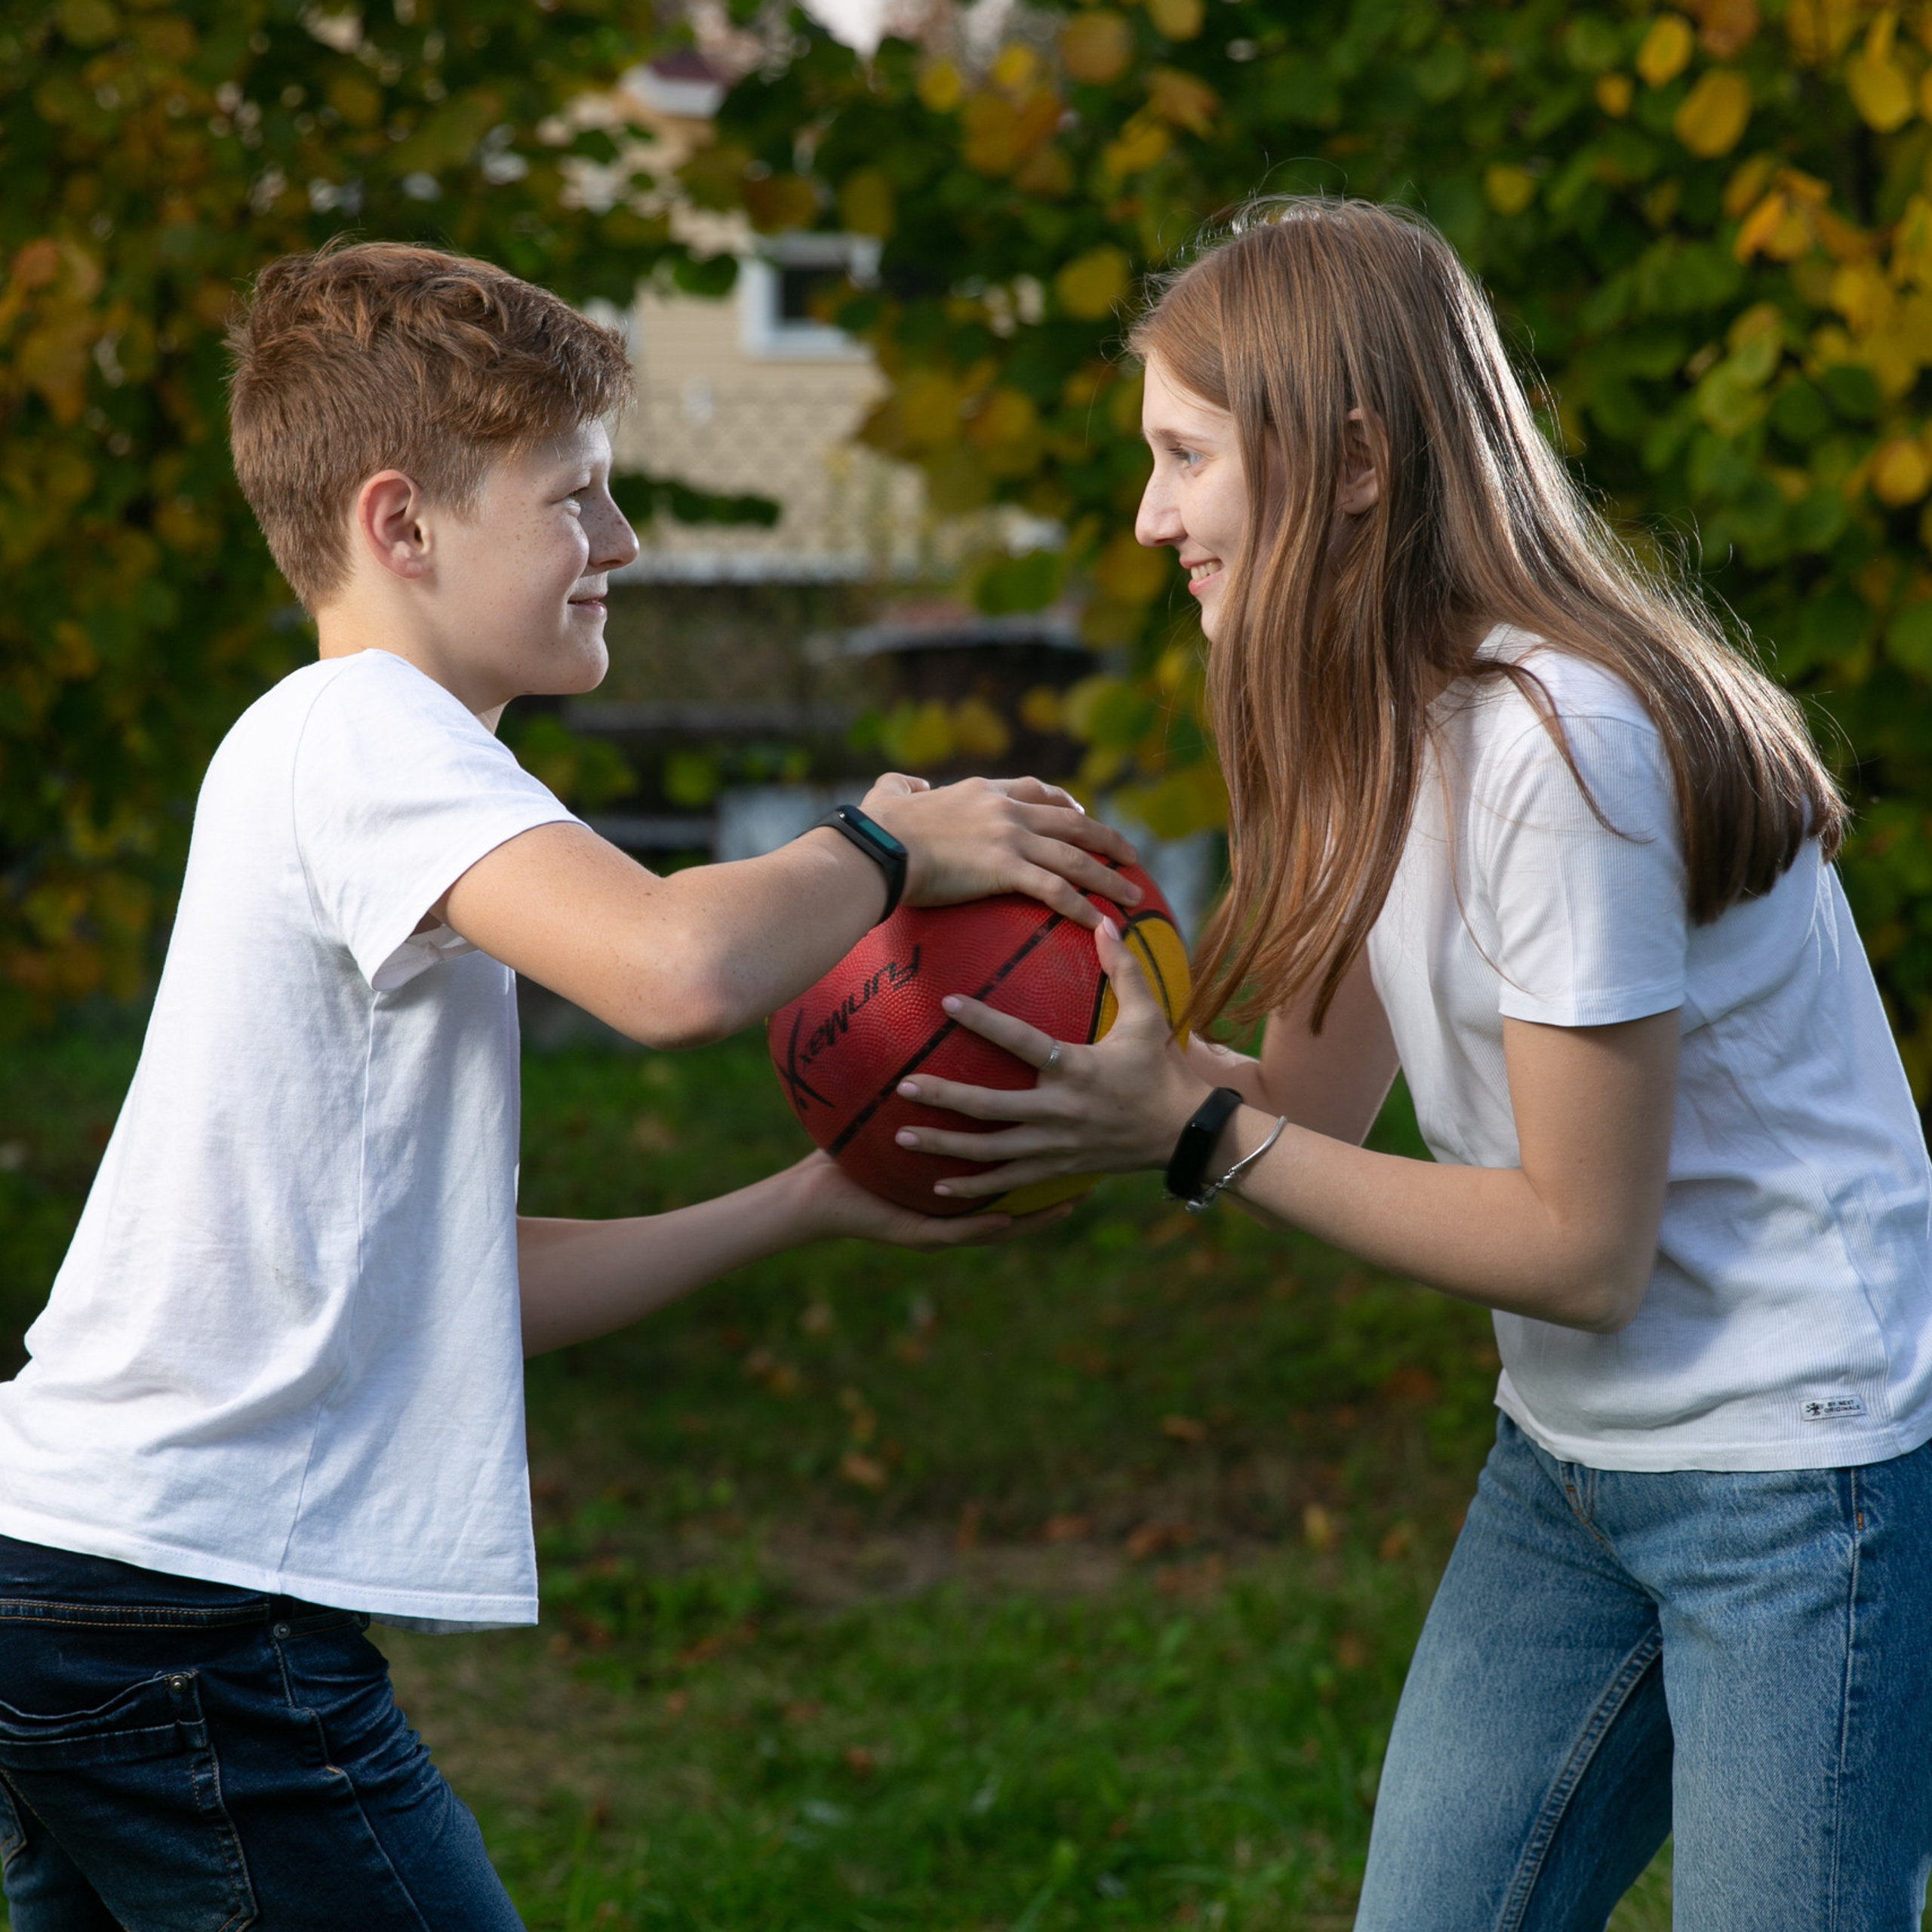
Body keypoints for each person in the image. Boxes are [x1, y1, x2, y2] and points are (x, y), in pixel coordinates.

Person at [0, 240, 1140, 1932]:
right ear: (401, 524)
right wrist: (894, 841)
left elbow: (442, 1277)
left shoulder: (367, 761)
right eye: (574, 497)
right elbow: (672, 968)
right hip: (189, 1602)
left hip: (93, 1578)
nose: (619, 543)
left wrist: (806, 1202)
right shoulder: (365, 734)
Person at [889, 198, 1932, 1928]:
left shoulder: (1559, 741)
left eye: (1182, 456)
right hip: (1572, 1461)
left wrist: (1194, 1130)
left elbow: (1573, 1247)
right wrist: (1074, 1049)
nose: (1148, 516)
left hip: (1792, 1473)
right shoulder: (1365, 714)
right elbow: (1298, 1111)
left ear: (1353, 457)